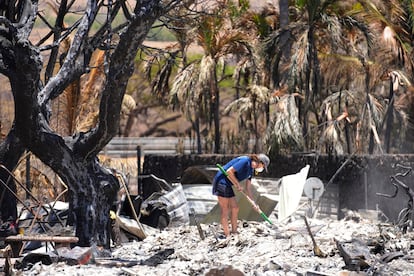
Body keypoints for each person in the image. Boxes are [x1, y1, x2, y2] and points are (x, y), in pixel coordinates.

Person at [212, 154, 270, 237]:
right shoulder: (245, 160)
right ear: (259, 162)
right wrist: (237, 184)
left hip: (228, 184)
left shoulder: (251, 171)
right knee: (225, 209)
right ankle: (227, 235)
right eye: (263, 166)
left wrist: (253, 203)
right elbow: (229, 171)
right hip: (221, 181)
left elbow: (248, 188)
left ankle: (234, 232)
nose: (262, 169)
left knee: (235, 208)